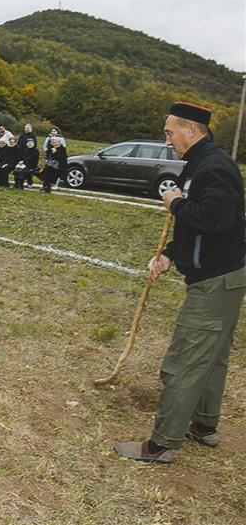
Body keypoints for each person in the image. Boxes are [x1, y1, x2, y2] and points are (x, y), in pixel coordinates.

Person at [114, 102, 245, 464]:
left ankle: (162, 444)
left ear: (192, 129)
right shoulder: (200, 164)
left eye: (170, 131)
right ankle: (204, 425)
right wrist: (172, 253)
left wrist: (174, 203)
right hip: (225, 277)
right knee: (213, 355)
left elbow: (214, 219)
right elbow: (199, 225)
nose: (167, 138)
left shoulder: (215, 167)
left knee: (186, 360)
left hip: (216, 282)